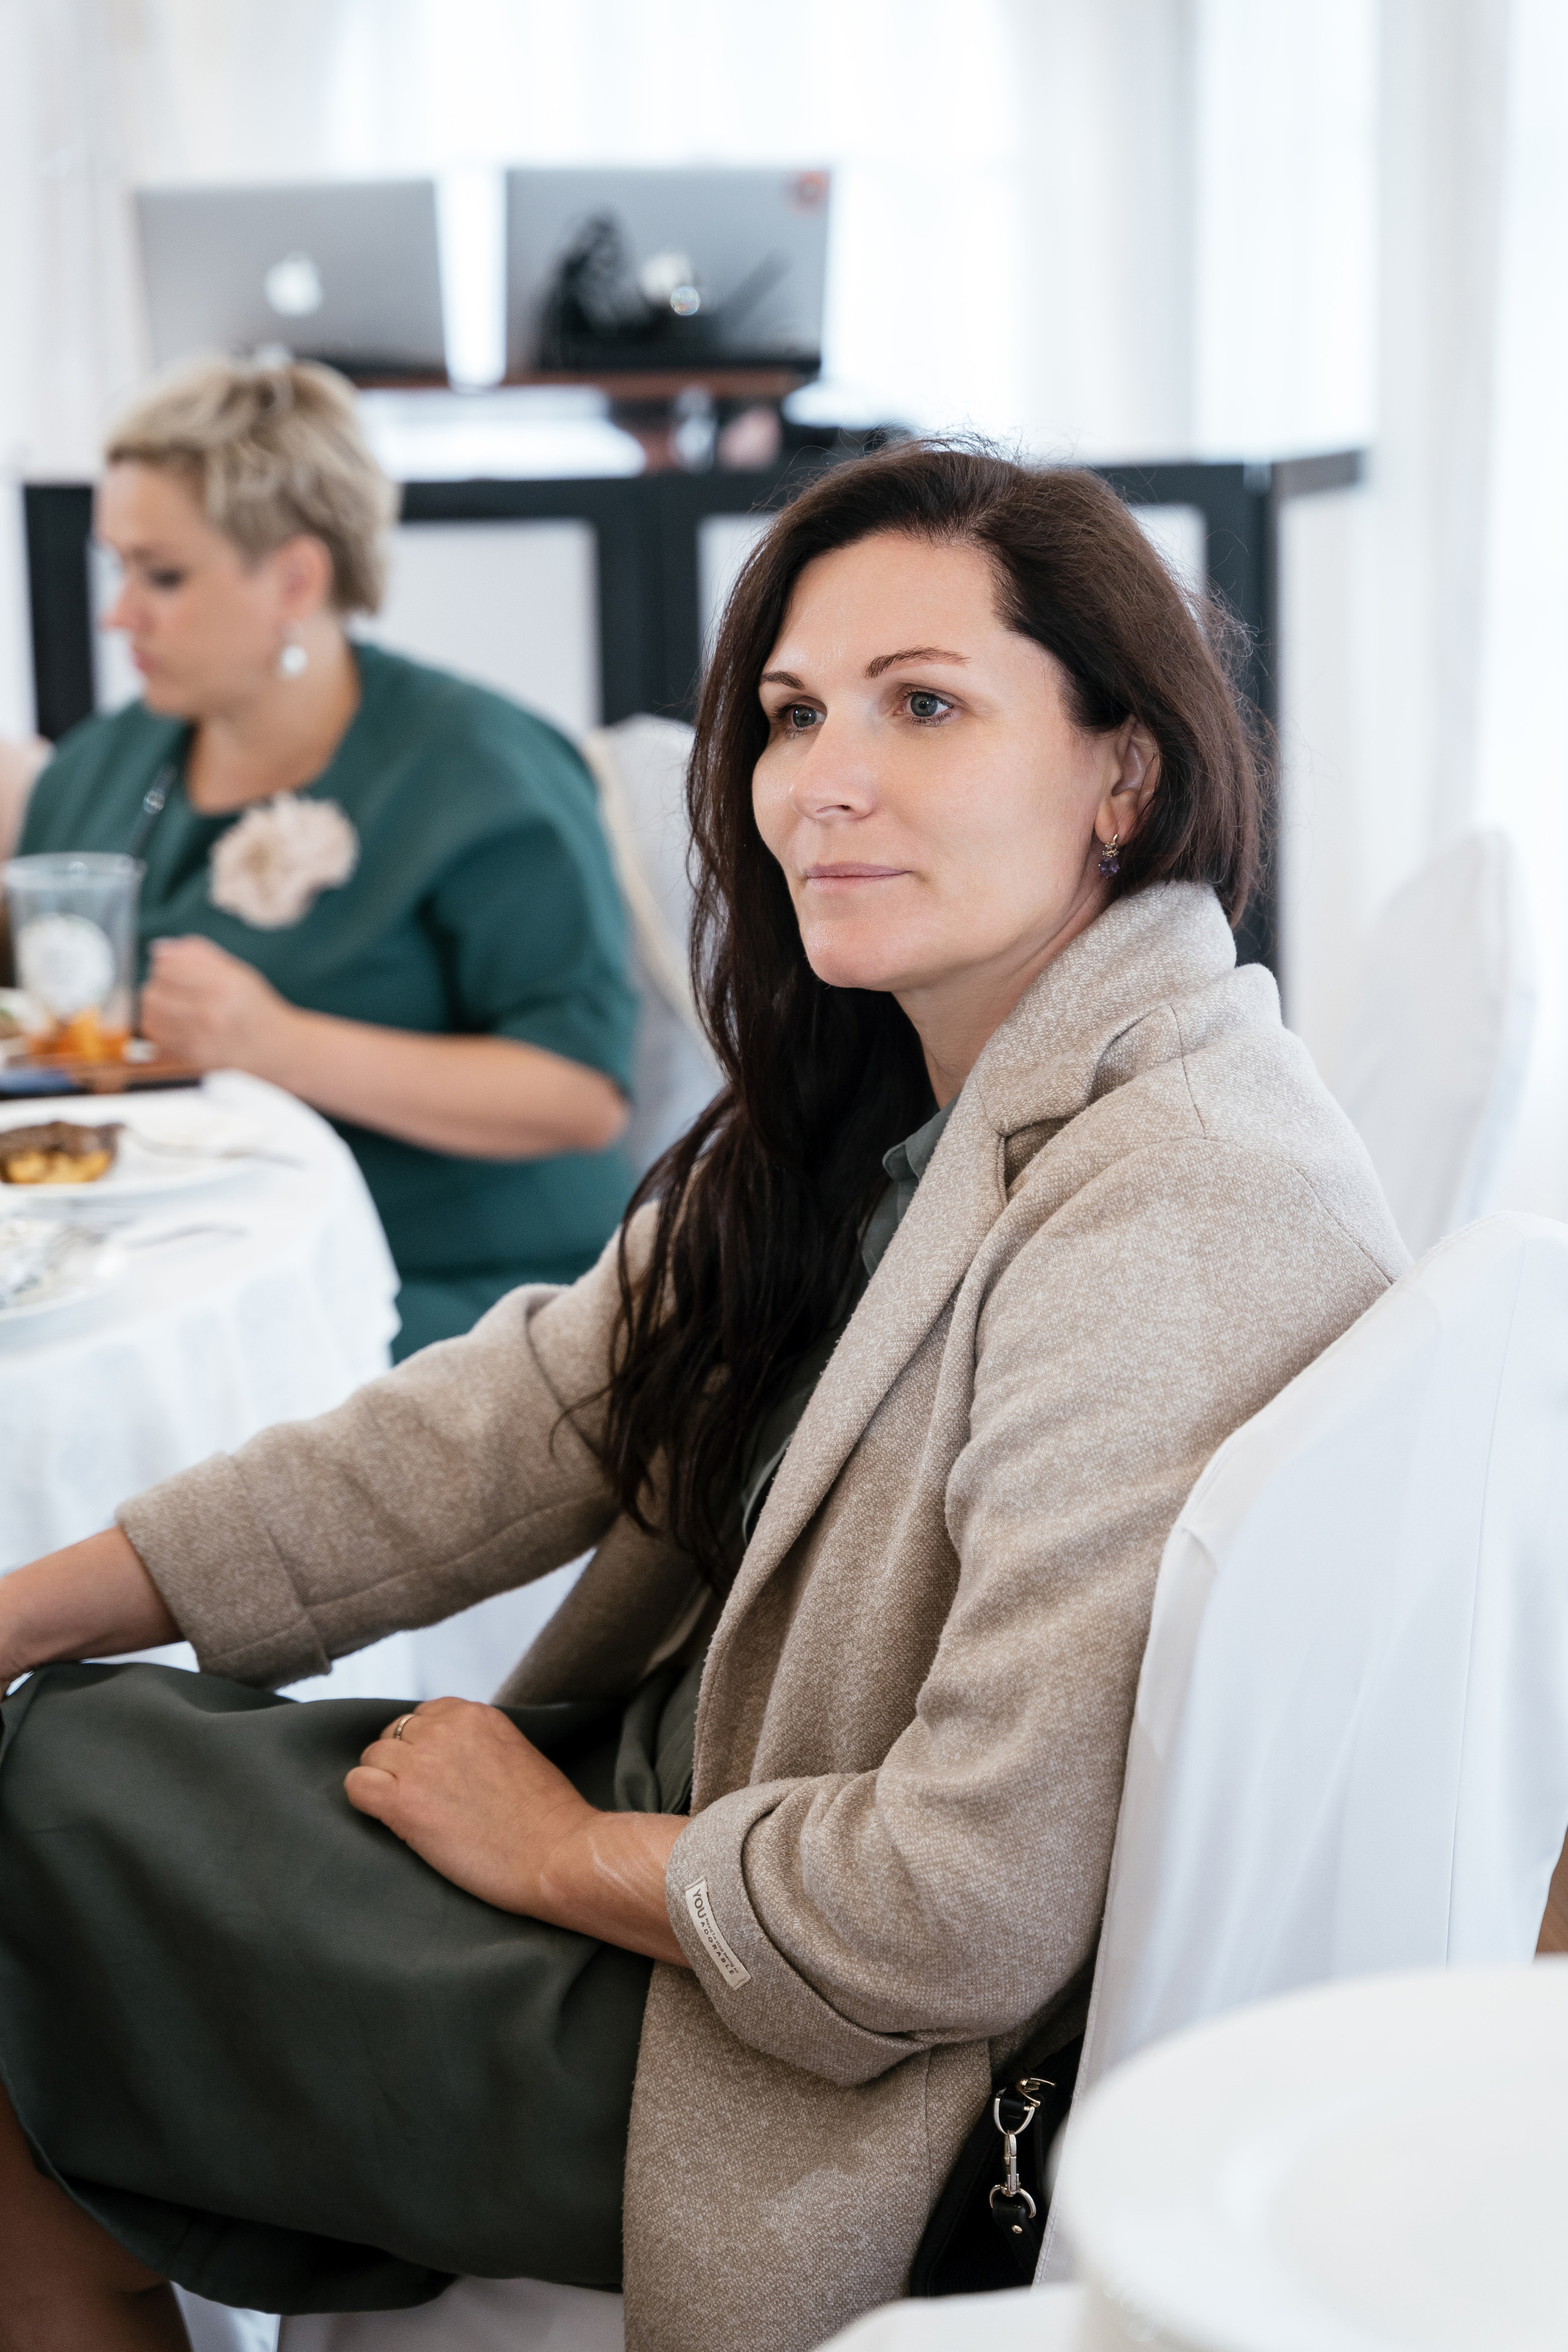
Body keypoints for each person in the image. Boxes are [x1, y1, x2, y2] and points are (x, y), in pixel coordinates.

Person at [0, 443, 1409, 2352]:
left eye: (926, 706)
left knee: (32, 1861)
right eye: (794, 712)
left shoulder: (1181, 1197)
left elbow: (962, 1909)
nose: (824, 780)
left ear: (1122, 771)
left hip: (800, 2069)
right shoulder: (899, 1098)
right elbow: (508, 1426)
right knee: (52, 1759)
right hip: (701, 1889)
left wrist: (555, 1848)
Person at [12, 358, 638, 1358]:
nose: (117, 613)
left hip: (456, 1294)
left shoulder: (481, 771)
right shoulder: (98, 766)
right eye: (115, 567)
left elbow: (581, 1096)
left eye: (160, 574)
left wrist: (281, 1044)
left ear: (296, 578)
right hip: (155, 1265)